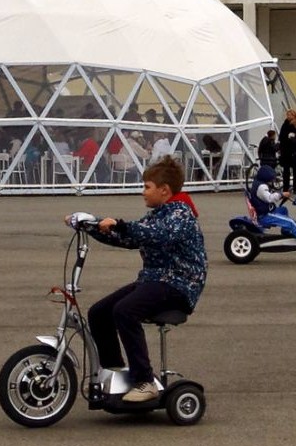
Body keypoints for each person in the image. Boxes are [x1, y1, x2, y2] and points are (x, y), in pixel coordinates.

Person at [86, 154, 206, 405]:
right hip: (154, 280)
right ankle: (116, 373)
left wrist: (120, 224)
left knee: (125, 311)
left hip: (179, 284)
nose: (143, 192)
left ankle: (145, 381)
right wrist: (91, 226)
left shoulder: (180, 215)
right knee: (99, 312)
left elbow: (159, 235)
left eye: (147, 187)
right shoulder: (158, 214)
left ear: (164, 190)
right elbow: (129, 238)